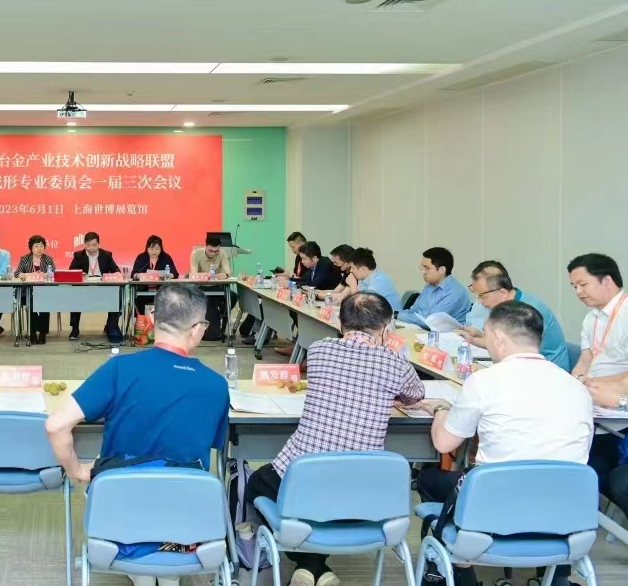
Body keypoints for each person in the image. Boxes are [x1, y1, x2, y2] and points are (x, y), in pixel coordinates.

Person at [45, 285, 229, 586]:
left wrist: (77, 470)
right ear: (197, 329)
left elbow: (55, 425)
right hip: (184, 516)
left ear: (152, 318)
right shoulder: (217, 386)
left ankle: (142, 569)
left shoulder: (119, 369)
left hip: (122, 511)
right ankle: (167, 570)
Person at [246, 292, 425, 586]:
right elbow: (415, 395)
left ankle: (309, 565)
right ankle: (317, 569)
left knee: (257, 482)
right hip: (363, 492)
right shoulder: (395, 363)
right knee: (328, 499)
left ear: (341, 325)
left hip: (306, 480)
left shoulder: (319, 350)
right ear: (385, 328)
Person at [416, 301, 593, 586]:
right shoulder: (576, 387)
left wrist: (440, 410)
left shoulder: (484, 381)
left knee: (430, 479)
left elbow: (444, 443)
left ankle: (461, 564)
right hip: (564, 519)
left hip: (493, 511)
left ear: (497, 338)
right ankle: (556, 576)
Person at [564, 254, 628, 525]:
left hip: (618, 405)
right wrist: (576, 380)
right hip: (597, 402)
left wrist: (602, 385)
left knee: (592, 465)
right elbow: (586, 359)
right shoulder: (592, 318)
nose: (578, 292)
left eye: (583, 284)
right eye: (574, 287)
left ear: (607, 281)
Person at [457, 267, 571, 370]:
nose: (480, 302)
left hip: (548, 371)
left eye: (482, 296)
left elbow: (509, 349)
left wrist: (474, 339)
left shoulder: (527, 312)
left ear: (502, 293)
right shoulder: (511, 303)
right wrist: (477, 336)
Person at [68, 232, 122, 343]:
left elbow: (115, 269)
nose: (91, 248)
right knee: (75, 296)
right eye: (88, 245)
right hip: (84, 288)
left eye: (94, 245)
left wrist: (116, 273)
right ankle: (75, 328)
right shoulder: (78, 255)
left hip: (102, 287)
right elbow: (71, 271)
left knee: (116, 297)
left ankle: (111, 326)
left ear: (98, 244)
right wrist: (79, 274)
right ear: (84, 245)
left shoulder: (106, 255)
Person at [397, 247, 471, 329]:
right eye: (422, 268)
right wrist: (393, 314)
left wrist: (397, 315)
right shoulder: (429, 286)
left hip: (445, 335)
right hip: (423, 331)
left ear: (442, 270)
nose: (423, 272)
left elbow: (430, 322)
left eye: (427, 268)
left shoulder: (454, 292)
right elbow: (413, 312)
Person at [189, 235, 232, 342]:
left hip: (216, 286)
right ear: (206, 246)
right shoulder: (196, 254)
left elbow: (227, 271)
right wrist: (205, 276)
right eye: (210, 251)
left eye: (216, 251)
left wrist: (225, 275)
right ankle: (213, 330)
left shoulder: (222, 253)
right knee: (210, 303)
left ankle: (220, 321)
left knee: (233, 297)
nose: (213, 253)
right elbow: (194, 273)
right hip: (201, 287)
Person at [15, 235, 56, 344]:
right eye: (36, 246)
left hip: (44, 291)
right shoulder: (25, 259)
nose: (39, 248)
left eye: (41, 246)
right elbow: (17, 274)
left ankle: (42, 333)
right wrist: (30, 275)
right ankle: (32, 332)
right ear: (31, 248)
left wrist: (46, 275)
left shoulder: (48, 259)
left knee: (44, 304)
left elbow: (55, 274)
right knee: (31, 304)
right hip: (28, 291)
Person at [132, 235, 179, 315]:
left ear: (161, 249)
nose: (154, 252)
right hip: (143, 291)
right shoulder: (141, 258)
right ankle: (143, 320)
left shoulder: (166, 257)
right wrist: (140, 276)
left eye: (157, 249)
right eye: (151, 249)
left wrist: (168, 275)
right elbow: (133, 274)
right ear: (147, 248)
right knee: (139, 301)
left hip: (162, 291)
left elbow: (175, 274)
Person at [348, 248, 403, 312]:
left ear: (363, 269)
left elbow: (361, 308)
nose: (351, 270)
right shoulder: (364, 278)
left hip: (392, 316)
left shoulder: (378, 282)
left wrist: (353, 285)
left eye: (352, 268)